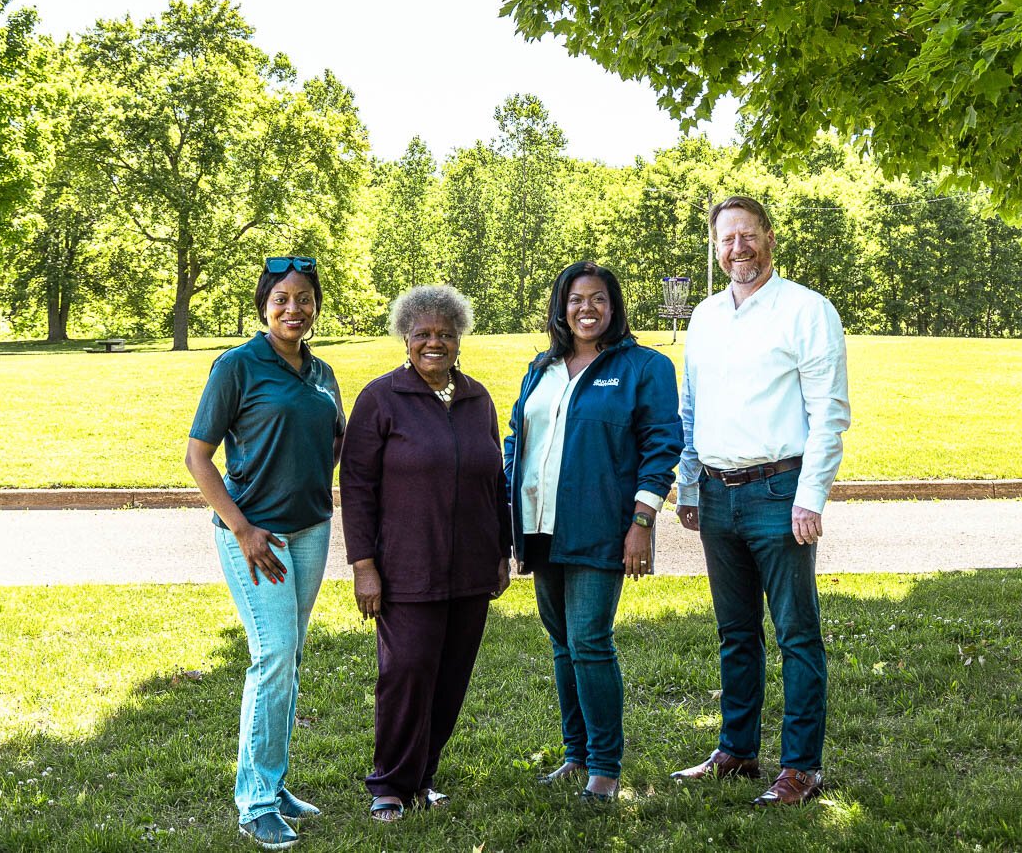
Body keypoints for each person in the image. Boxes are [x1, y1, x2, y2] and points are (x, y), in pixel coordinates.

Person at [669, 196, 851, 806]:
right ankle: (737, 751)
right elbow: (690, 409)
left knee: (796, 632)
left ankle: (801, 767)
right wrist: (688, 485)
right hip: (716, 493)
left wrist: (810, 497)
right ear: (715, 247)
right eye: (726, 239)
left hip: (780, 491)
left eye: (748, 235)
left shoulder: (806, 310)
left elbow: (829, 413)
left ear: (769, 238)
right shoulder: (705, 317)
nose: (737, 248)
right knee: (735, 632)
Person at [504, 261, 683, 802]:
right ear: (562, 308)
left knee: (589, 641)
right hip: (539, 527)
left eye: (598, 299)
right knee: (563, 644)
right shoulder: (541, 367)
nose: (587, 308)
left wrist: (642, 522)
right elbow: (517, 437)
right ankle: (576, 755)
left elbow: (662, 445)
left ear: (614, 305)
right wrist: (507, 501)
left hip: (601, 527)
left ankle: (605, 766)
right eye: (576, 299)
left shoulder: (644, 367)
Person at [184, 256, 345, 849]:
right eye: (282, 299)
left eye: (304, 298)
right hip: (257, 537)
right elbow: (198, 457)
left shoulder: (322, 371)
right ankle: (254, 802)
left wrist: (310, 480)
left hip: (312, 530)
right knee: (272, 656)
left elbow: (334, 439)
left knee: (289, 657)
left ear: (315, 306)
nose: (293, 309)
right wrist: (243, 528)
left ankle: (274, 784)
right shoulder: (237, 365)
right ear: (264, 306)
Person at [339, 285, 511, 822]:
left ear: (459, 340)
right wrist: (363, 566)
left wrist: (501, 551)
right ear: (405, 339)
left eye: (445, 334)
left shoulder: (478, 398)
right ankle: (390, 785)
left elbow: (495, 480)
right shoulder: (381, 398)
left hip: (472, 568)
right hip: (406, 569)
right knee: (407, 674)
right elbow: (357, 487)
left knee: (451, 678)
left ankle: (422, 777)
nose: (434, 343)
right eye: (423, 334)